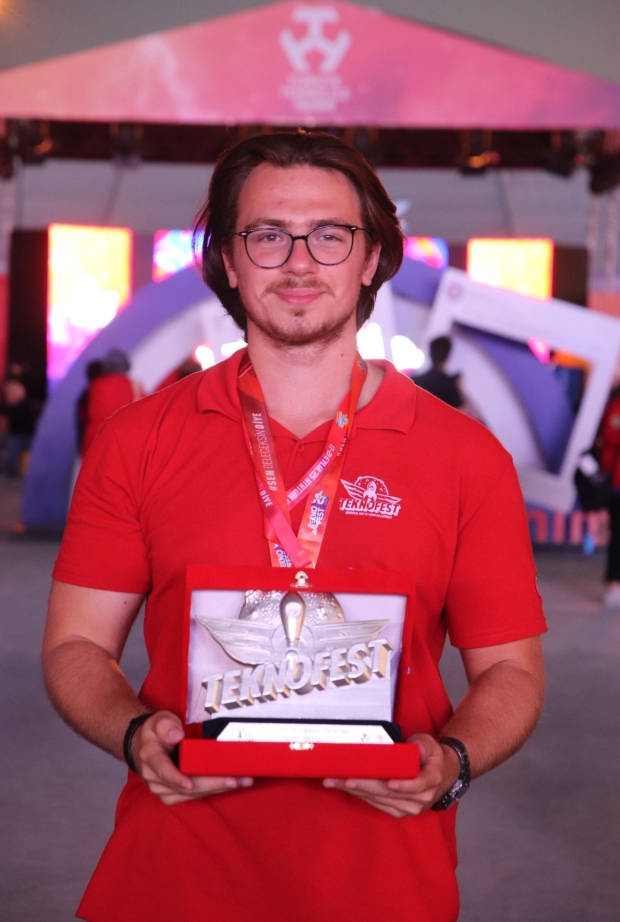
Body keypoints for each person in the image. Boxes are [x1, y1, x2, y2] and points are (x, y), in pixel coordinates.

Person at [42, 132, 546, 922]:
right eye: (268, 235)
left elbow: (510, 670)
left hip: (385, 884)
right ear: (229, 260)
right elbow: (75, 643)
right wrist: (135, 731)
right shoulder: (138, 440)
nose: (299, 262)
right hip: (170, 878)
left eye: (329, 235)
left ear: (370, 257)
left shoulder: (466, 457)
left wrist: (451, 759)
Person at [80, 349, 143, 457]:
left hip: (96, 443)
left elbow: (83, 415)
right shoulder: (134, 386)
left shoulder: (94, 387)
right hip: (126, 443)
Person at [599, 384, 620, 607]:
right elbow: (610, 435)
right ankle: (613, 583)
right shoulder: (616, 405)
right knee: (618, 537)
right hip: (617, 484)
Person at [412, 335, 464, 408]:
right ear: (447, 356)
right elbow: (461, 409)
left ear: (430, 353)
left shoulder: (415, 380)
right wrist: (458, 386)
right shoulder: (449, 383)